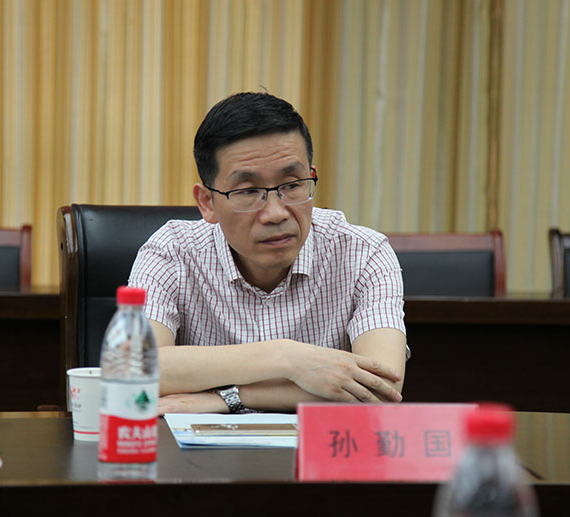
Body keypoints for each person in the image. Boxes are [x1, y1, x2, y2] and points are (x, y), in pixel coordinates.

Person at [128, 92, 408, 414]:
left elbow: (381, 388)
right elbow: (136, 370)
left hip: (318, 446)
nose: (276, 213)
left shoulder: (363, 253)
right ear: (207, 202)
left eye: (292, 185)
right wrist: (288, 358)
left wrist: (227, 397)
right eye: (248, 191)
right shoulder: (171, 251)